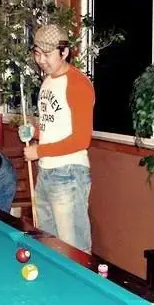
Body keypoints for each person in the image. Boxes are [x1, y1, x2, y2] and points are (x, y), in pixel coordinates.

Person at [23, 23, 95, 253]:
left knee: (74, 249)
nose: (41, 60)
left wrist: (39, 151)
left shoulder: (77, 84)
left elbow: (81, 139)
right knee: (49, 245)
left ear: (64, 52)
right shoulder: (48, 81)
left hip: (69, 173)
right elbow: (55, 126)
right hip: (46, 172)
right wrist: (35, 132)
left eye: (47, 54)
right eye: (37, 54)